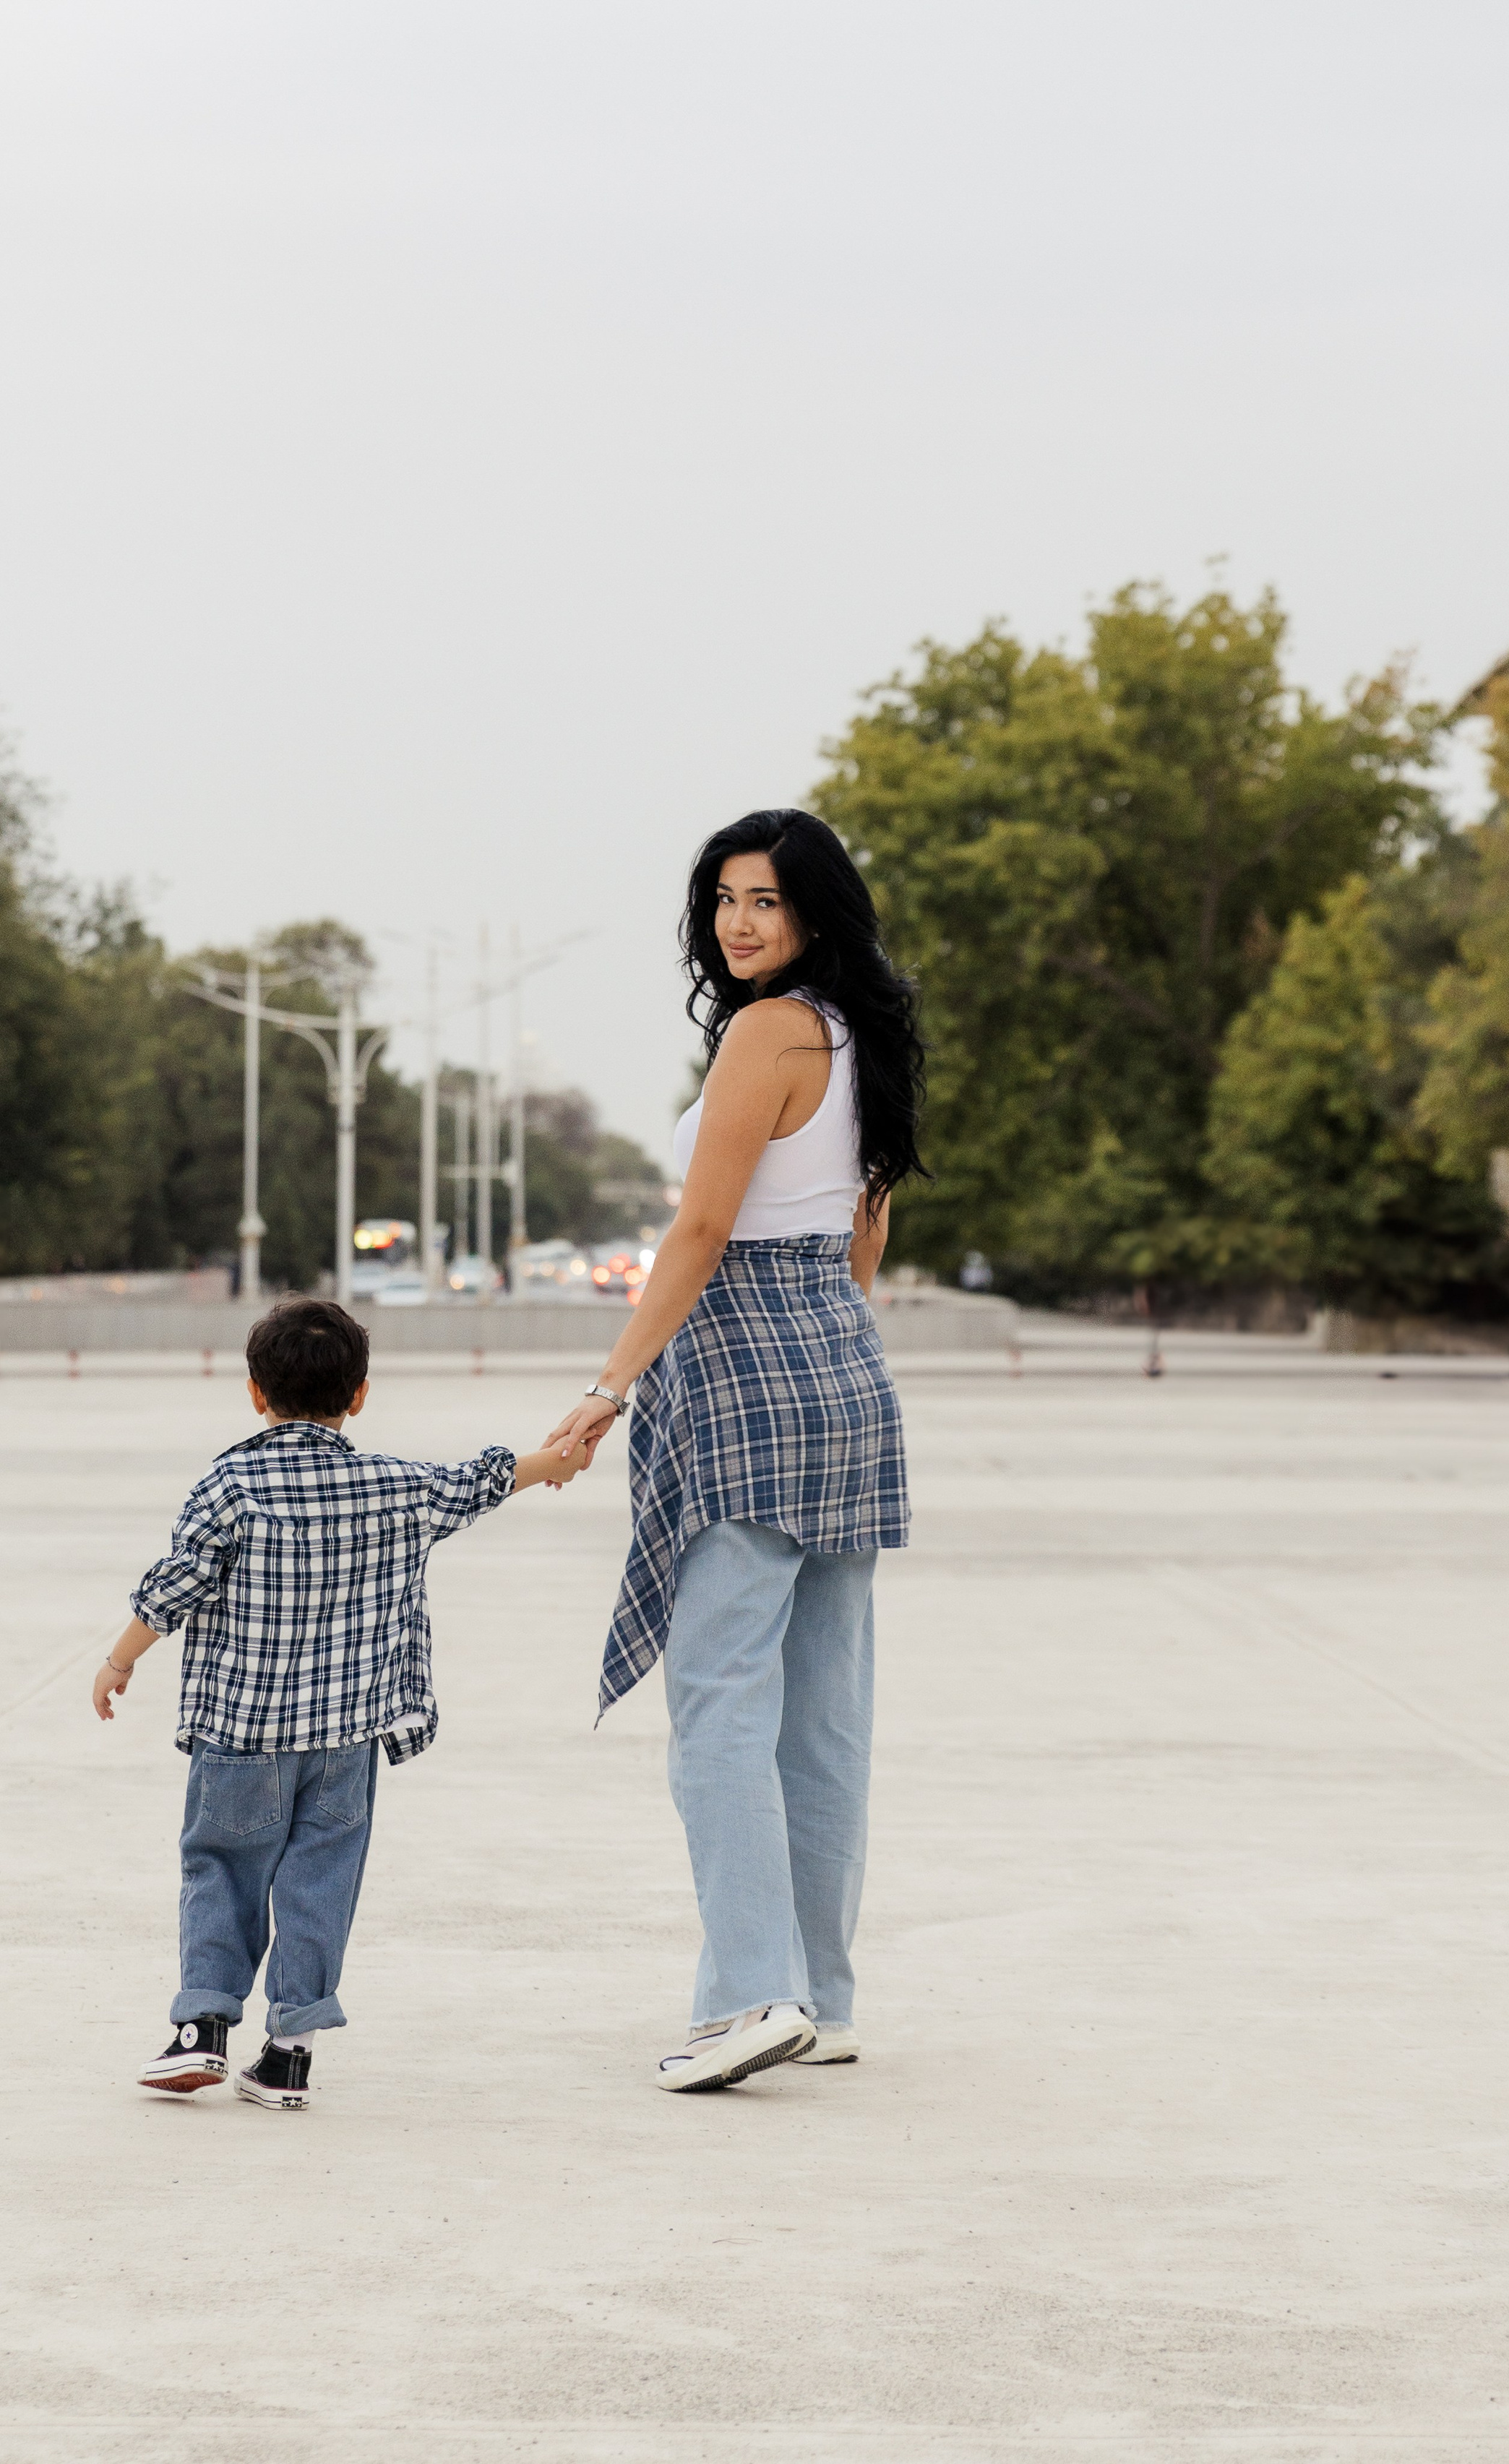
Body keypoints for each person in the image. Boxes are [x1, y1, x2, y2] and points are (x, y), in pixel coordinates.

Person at [547, 809, 923, 2093]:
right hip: (845, 1368)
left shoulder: (766, 1033)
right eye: (723, 899)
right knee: (824, 1713)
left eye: (764, 900)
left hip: (747, 1373)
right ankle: (820, 1989)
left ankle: (757, 1994)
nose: (738, 922)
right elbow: (866, 1245)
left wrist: (610, 1386)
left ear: (815, 911)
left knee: (715, 1704)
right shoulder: (862, 1038)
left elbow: (702, 1230)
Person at [94, 1296, 586, 2110]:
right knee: (320, 1883)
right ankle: (289, 2052)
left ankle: (203, 2029)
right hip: (346, 1741)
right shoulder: (393, 1485)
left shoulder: (231, 1482)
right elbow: (478, 1481)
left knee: (221, 1868)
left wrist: (119, 1658)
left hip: (242, 1735)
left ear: (256, 1391)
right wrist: (558, 1455)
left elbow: (177, 1583)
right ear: (359, 1394)